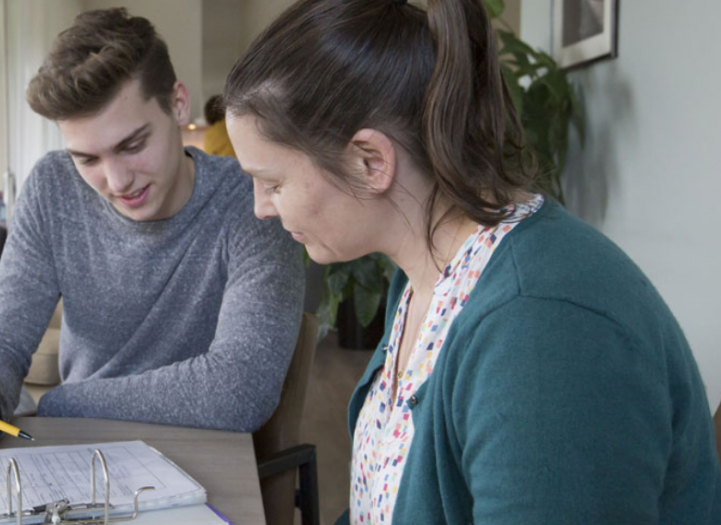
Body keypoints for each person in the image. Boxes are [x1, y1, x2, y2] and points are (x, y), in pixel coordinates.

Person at [224, 0, 721, 523]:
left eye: (273, 182)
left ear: (370, 161)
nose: (260, 207)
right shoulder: (425, 276)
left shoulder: (543, 330)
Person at [0, 8, 304, 453]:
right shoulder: (52, 187)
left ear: (178, 104)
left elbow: (241, 389)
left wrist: (61, 403)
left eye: (133, 145)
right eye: (87, 159)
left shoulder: (251, 201)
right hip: (82, 450)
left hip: (207, 453)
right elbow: (2, 336)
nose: (117, 182)